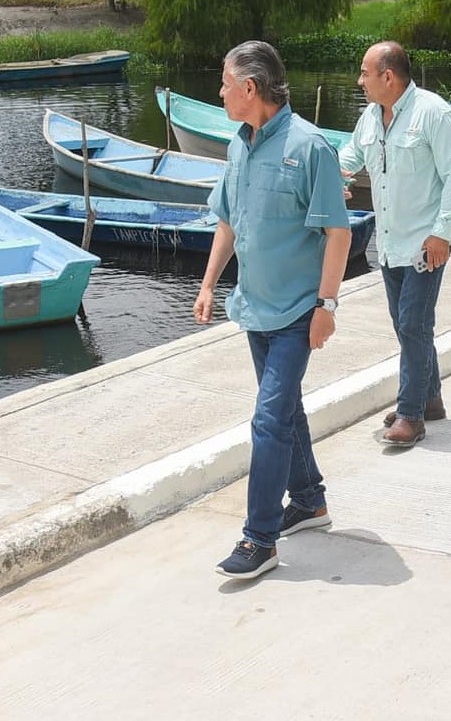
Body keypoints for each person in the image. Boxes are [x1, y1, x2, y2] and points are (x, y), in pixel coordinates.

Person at [194, 40, 352, 580]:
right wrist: (209, 283)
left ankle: (259, 539)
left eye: (224, 82)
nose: (219, 92)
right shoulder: (239, 145)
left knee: (268, 419)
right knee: (285, 411)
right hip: (254, 309)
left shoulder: (311, 148)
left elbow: (338, 231)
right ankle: (308, 501)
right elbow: (229, 221)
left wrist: (327, 304)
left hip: (295, 313)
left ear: (250, 88)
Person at [338, 41, 451, 447]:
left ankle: (411, 416)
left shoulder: (433, 113)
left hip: (425, 243)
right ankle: (429, 399)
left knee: (413, 323)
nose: (359, 81)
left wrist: (443, 233)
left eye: (364, 73)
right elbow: (349, 156)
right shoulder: (371, 118)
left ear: (388, 76)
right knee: (407, 324)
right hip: (391, 243)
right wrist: (332, 179)